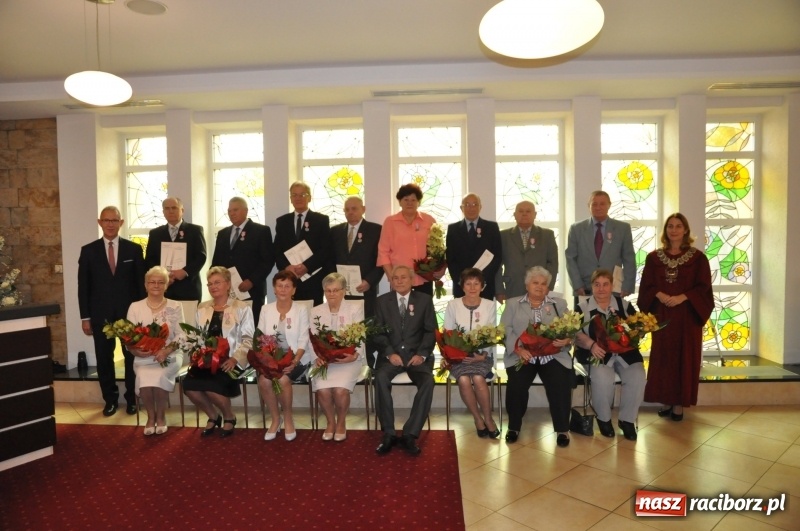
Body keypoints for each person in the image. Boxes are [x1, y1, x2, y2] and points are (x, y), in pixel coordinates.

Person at [638, 213, 713, 421]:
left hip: (687, 317)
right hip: (662, 316)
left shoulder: (698, 259)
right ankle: (666, 400)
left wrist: (683, 297)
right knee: (665, 358)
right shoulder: (654, 258)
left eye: (678, 226)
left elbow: (704, 288)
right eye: (670, 226)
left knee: (684, 358)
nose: (674, 230)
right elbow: (646, 286)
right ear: (665, 230)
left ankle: (679, 403)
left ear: (685, 230)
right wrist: (659, 294)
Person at [78, 206, 146, 417]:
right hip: (100, 315)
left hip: (130, 316)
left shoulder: (134, 249)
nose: (110, 224)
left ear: (121, 223)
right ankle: (110, 400)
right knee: (104, 359)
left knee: (131, 358)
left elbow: (140, 285)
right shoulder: (88, 251)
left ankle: (132, 399)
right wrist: (85, 317)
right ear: (100, 222)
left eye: (114, 220)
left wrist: (142, 315)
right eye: (106, 220)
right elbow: (83, 287)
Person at [502, 266, 573, 447]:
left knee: (560, 383)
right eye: (535, 283)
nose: (539, 287)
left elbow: (571, 329)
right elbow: (504, 330)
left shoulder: (559, 304)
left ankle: (562, 429)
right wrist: (517, 348)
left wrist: (567, 340)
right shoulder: (512, 304)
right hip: (524, 356)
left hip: (552, 356)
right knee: (517, 384)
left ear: (548, 288)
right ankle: (514, 427)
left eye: (543, 284)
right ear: (527, 285)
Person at [372, 265, 437, 456]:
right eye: (395, 278)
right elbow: (377, 332)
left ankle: (410, 433)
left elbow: (430, 331)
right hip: (391, 358)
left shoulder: (424, 300)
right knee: (380, 378)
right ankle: (389, 433)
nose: (399, 281)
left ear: (412, 280)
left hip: (416, 357)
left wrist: (422, 354)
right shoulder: (382, 301)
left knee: (428, 381)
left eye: (403, 277)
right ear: (391, 281)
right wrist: (389, 353)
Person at [183, 266, 254, 438]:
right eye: (210, 284)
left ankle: (229, 416)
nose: (213, 287)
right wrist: (197, 354)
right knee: (189, 386)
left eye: (217, 282)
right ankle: (213, 416)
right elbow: (196, 336)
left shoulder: (241, 307)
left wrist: (235, 359)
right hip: (206, 359)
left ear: (228, 284)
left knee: (211, 386)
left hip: (231, 360)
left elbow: (249, 339)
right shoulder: (202, 307)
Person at [574, 269, 645, 440]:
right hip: (596, 353)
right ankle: (604, 419)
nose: (601, 289)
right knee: (602, 377)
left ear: (612, 286)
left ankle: (627, 421)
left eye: (605, 284)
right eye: (597, 285)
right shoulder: (582, 308)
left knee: (637, 376)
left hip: (625, 353)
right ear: (592, 286)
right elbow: (575, 333)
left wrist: (638, 332)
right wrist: (591, 344)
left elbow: (638, 327)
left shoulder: (625, 306)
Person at [126, 266, 185, 435]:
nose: (156, 285)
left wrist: (166, 351)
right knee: (144, 376)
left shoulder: (176, 306)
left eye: (161, 282)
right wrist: (135, 350)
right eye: (152, 282)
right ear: (145, 285)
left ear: (166, 285)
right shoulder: (135, 307)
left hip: (170, 354)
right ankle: (150, 418)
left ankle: (161, 417)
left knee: (159, 376)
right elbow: (128, 337)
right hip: (143, 356)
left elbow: (182, 335)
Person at [443, 268, 500, 438]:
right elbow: (447, 333)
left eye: (476, 284)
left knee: (478, 378)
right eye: (468, 284)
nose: (472, 287)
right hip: (458, 356)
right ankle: (477, 419)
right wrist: (452, 356)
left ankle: (488, 419)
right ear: (462, 286)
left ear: (483, 286)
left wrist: (483, 355)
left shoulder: (490, 305)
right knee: (463, 379)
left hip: (482, 355)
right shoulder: (453, 305)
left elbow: (492, 334)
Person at [310, 272, 366, 442]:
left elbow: (361, 335)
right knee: (323, 390)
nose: (332, 294)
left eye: (336, 290)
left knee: (340, 390)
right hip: (325, 361)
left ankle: (341, 422)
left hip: (349, 360)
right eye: (328, 291)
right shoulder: (315, 311)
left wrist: (354, 355)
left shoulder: (355, 308)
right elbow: (311, 338)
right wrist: (316, 357)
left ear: (344, 291)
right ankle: (330, 422)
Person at [256, 270, 310, 442]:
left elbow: (303, 339)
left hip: (297, 359)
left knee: (283, 380)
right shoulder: (266, 309)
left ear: (294, 290)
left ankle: (288, 417)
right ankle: (275, 419)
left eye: (287, 286)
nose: (283, 289)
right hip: (271, 359)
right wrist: (268, 360)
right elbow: (260, 337)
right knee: (264, 381)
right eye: (280, 286)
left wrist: (294, 361)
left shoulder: (301, 309)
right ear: (274, 288)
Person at [210, 196, 275, 323]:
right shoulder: (223, 234)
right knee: (228, 326)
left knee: (251, 327)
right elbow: (216, 262)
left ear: (246, 211)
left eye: (235, 210)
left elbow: (267, 260)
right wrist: (215, 282)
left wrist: (251, 281)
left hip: (251, 291)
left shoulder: (261, 231)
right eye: (229, 211)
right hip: (227, 292)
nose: (232, 213)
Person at [565, 190, 636, 301]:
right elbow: (570, 259)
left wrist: (627, 285)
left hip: (613, 289)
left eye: (602, 204)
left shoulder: (623, 228)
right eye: (594, 204)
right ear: (589, 206)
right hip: (584, 289)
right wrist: (577, 285)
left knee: (613, 314)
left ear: (609, 205)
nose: (598, 207)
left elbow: (629, 259)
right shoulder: (576, 229)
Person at [274, 182, 332, 306]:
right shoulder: (282, 221)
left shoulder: (321, 220)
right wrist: (287, 267)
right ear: (290, 199)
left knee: (313, 315)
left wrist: (306, 266)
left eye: (302, 195)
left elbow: (325, 249)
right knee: (289, 314)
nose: (298, 198)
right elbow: (277, 250)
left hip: (313, 279)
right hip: (288, 280)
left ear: (309, 198)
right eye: (294, 195)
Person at [377, 183, 437, 297]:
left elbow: (437, 248)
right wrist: (391, 277)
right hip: (399, 279)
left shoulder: (429, 220)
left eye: (413, 200)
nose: (410, 203)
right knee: (400, 308)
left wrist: (437, 269)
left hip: (424, 277)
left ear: (419, 202)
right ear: (400, 202)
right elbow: (383, 252)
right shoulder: (390, 222)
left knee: (423, 307)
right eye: (406, 199)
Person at [144, 197, 207, 301]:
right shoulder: (155, 234)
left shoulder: (195, 230)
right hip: (163, 289)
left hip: (189, 288)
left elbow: (201, 256)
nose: (171, 211)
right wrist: (162, 275)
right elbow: (150, 259)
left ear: (182, 210)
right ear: (163, 212)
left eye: (174, 208)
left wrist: (185, 272)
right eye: (167, 208)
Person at [331, 196, 383, 319]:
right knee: (342, 324)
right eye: (347, 209)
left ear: (363, 209)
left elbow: (381, 260)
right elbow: (330, 259)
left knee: (365, 326)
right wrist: (334, 280)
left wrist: (369, 281)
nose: (350, 212)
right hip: (340, 290)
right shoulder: (334, 231)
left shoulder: (376, 230)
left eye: (354, 208)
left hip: (365, 289)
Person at [495, 201, 558, 302]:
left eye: (528, 211)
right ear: (514, 215)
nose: (524, 214)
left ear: (535, 214)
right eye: (521, 211)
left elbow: (553, 263)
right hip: (512, 287)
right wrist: (499, 290)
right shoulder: (503, 236)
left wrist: (548, 286)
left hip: (539, 288)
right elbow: (497, 265)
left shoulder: (547, 235)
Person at [446, 193, 502, 300]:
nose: (471, 208)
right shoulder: (453, 229)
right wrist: (462, 281)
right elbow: (450, 259)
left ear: (480, 207)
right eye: (467, 205)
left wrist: (481, 280)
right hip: (461, 287)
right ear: (461, 208)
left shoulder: (492, 228)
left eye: (475, 204)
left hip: (485, 286)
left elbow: (497, 257)